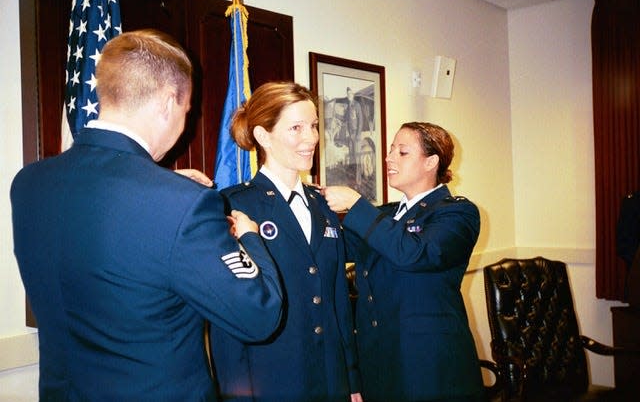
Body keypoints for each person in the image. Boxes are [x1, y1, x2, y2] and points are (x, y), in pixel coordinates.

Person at [10, 29, 283, 401]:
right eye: (187, 111)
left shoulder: (29, 184)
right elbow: (260, 315)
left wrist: (163, 189)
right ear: (170, 101)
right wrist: (250, 236)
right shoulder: (182, 203)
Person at [209, 81, 362, 402]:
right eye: (296, 128)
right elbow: (228, 317)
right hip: (271, 381)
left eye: (314, 126)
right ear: (264, 135)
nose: (312, 139)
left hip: (330, 380)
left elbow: (336, 301)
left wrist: (351, 380)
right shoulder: (234, 206)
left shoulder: (323, 205)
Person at [323, 121, 485, 402]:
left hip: (430, 366)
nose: (388, 157)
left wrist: (356, 203)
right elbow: (335, 249)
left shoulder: (458, 213)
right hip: (378, 362)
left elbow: (415, 253)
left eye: (402, 152)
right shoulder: (384, 216)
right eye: (390, 150)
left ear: (431, 162)